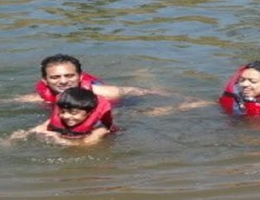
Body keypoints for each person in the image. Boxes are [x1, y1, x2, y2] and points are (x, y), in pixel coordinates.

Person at [15, 53, 153, 103]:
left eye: (69, 76)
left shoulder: (105, 93)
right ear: (45, 81)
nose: (63, 81)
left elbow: (139, 92)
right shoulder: (39, 98)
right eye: (55, 77)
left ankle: (142, 74)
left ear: (80, 77)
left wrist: (170, 97)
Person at [9, 87, 117, 146]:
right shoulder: (59, 118)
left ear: (88, 113)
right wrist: (21, 135)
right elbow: (41, 128)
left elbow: (86, 146)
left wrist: (59, 140)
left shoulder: (99, 128)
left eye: (73, 113)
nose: (66, 116)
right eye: (63, 111)